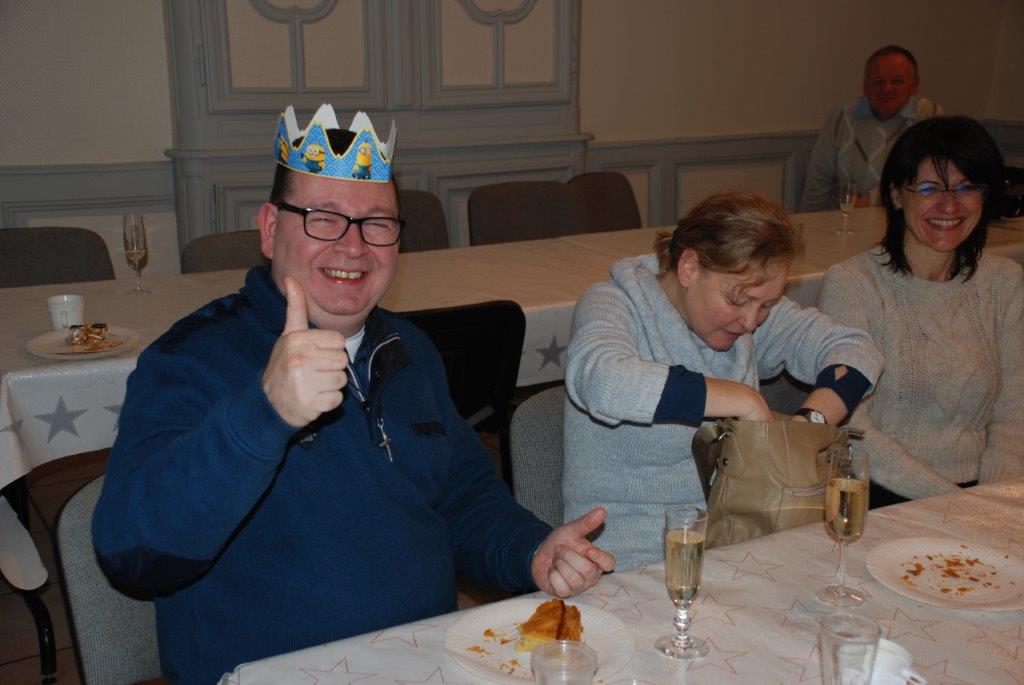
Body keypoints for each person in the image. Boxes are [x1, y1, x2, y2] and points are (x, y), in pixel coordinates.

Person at [92, 104, 614, 683]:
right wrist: (265, 413)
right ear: (270, 229)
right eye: (323, 218)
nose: (354, 246)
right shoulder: (191, 360)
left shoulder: (408, 349)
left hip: (422, 663)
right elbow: (132, 554)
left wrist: (529, 549)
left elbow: (461, 495)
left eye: (377, 223)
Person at [562, 191, 883, 570]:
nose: (750, 322)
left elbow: (858, 351)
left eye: (766, 305)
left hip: (735, 549)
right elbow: (603, 382)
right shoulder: (615, 304)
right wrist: (743, 399)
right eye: (737, 300)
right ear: (688, 268)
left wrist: (808, 424)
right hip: (624, 560)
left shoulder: (749, 314)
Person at [818, 116, 1024, 506]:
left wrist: (995, 501)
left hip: (987, 493)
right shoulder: (854, 284)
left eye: (966, 187)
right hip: (879, 493)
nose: (949, 205)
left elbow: (1016, 412)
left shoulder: (1004, 282)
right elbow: (851, 424)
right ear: (896, 195)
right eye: (929, 188)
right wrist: (948, 502)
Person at [800, 45, 943, 212]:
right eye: (878, 82)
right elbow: (818, 180)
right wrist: (806, 221)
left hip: (905, 218)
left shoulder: (930, 116)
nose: (887, 88)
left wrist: (874, 199)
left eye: (897, 81)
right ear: (866, 85)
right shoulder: (843, 116)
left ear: (914, 84)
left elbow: (927, 177)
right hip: (846, 218)